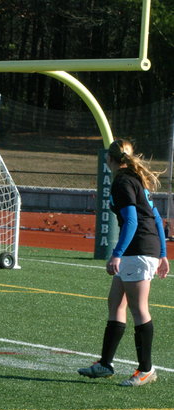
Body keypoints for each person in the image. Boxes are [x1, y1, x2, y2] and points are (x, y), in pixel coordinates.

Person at [78, 139, 169, 387]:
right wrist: (162, 253)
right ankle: (105, 364)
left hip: (137, 249)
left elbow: (131, 221)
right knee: (116, 302)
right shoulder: (136, 179)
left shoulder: (123, 181)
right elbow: (156, 218)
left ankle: (146, 369)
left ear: (109, 159)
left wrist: (116, 253)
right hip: (141, 248)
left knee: (139, 309)